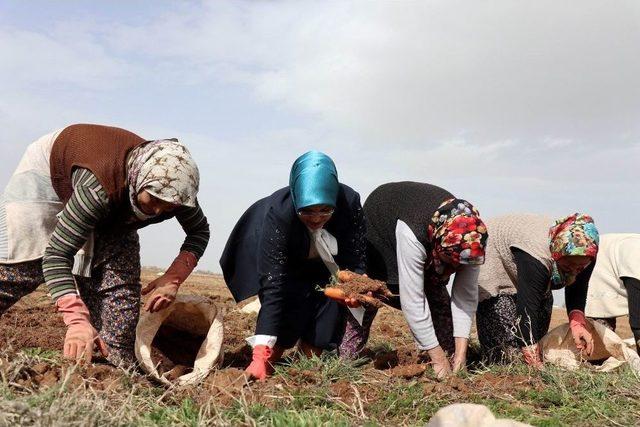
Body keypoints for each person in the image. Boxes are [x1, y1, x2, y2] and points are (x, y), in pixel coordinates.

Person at [0, 124, 210, 366]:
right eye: (153, 199)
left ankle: (117, 366)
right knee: (22, 268)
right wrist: (76, 320)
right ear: (139, 181)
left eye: (169, 207)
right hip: (52, 178)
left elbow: (199, 231)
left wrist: (173, 277)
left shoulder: (176, 191)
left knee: (120, 299)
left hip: (117, 203)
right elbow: (57, 255)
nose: (158, 211)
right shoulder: (97, 189)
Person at [220, 151, 366, 380]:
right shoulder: (278, 213)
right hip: (275, 249)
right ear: (297, 200)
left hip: (323, 259)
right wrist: (261, 353)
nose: (317, 218)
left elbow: (355, 255)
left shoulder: (349, 202)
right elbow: (274, 286)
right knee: (287, 303)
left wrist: (355, 286)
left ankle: (305, 362)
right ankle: (267, 361)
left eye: (325, 210)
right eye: (307, 211)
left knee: (325, 310)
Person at [341, 181, 488, 379]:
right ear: (436, 244)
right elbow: (413, 300)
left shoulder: (471, 240)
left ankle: (447, 356)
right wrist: (437, 359)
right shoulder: (413, 233)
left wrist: (460, 357)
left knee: (449, 347)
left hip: (428, 243)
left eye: (460, 265)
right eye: (450, 262)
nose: (454, 270)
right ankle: (342, 355)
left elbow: (465, 297)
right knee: (368, 298)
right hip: (380, 235)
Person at [468, 213, 599, 366]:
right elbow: (528, 308)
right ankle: (496, 359)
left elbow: (577, 288)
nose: (574, 271)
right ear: (556, 254)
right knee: (504, 355)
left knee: (538, 329)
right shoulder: (539, 256)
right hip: (494, 253)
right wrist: (533, 358)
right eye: (568, 265)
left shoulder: (587, 254)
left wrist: (577, 324)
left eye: (579, 267)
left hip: (530, 261)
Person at [585, 233, 640, 354]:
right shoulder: (637, 262)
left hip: (619, 260)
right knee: (600, 337)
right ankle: (597, 359)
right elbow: (638, 322)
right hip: (600, 266)